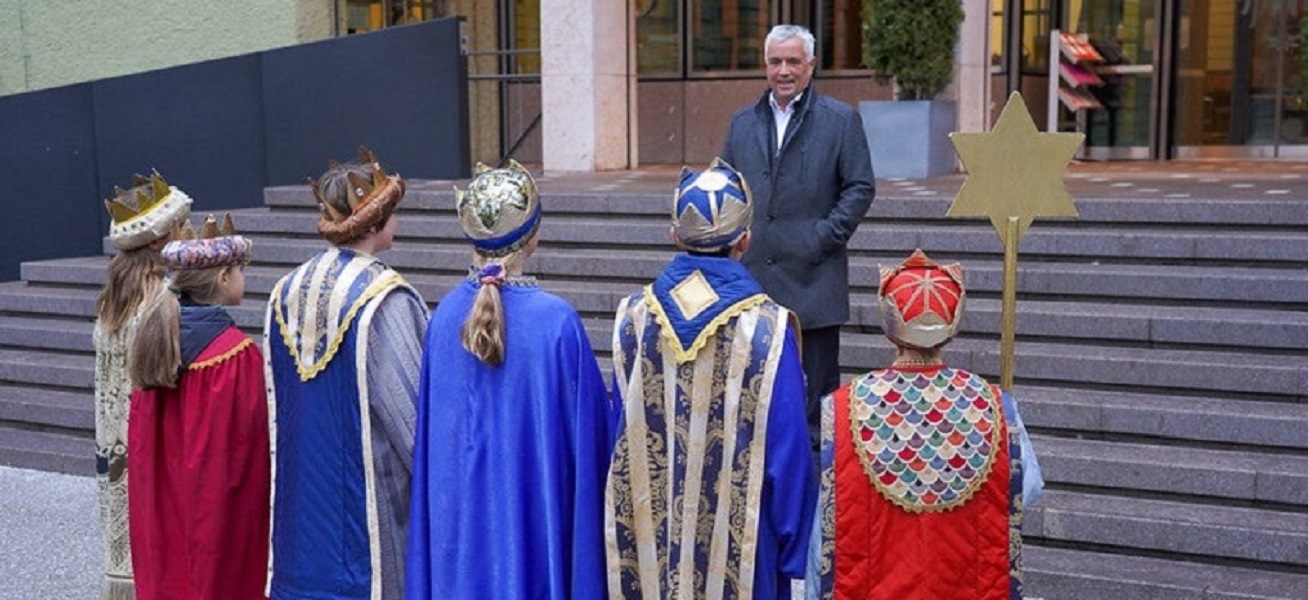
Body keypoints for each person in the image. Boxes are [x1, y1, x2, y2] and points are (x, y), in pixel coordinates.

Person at [605, 159, 816, 599]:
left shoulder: (633, 320)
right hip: (744, 562)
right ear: (745, 240)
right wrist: (797, 552)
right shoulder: (767, 330)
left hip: (647, 559)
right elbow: (789, 450)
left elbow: (615, 442)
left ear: (674, 236)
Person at [406, 160, 611, 600]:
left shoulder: (443, 319)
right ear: (533, 236)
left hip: (459, 551)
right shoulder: (556, 323)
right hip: (535, 538)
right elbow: (592, 443)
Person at [804, 250, 1044, 600]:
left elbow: (823, 531)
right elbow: (1030, 486)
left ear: (889, 328)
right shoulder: (994, 404)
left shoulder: (842, 407)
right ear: (952, 328)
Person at [264, 148, 428, 600]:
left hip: (303, 498)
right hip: (371, 503)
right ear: (378, 222)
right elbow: (410, 416)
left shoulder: (284, 290)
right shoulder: (386, 297)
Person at [720, 24, 876, 451]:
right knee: (753, 409)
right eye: (775, 61)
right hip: (752, 292)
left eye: (793, 61)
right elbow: (726, 186)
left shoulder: (840, 121)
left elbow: (860, 187)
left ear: (811, 66)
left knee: (814, 415)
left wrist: (822, 237)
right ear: (765, 66)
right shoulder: (741, 124)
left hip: (814, 290)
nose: (783, 70)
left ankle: (813, 513)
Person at [126, 214, 269, 600]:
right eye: (240, 270)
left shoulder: (154, 342)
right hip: (216, 513)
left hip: (161, 505)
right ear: (223, 278)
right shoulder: (234, 354)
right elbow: (243, 456)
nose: (244, 278)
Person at [93, 171, 192, 600]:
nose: (189, 231)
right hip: (149, 436)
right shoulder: (162, 300)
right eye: (181, 225)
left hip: (113, 438)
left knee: (126, 540)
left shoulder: (113, 298)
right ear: (158, 241)